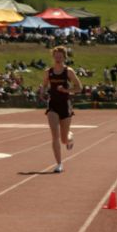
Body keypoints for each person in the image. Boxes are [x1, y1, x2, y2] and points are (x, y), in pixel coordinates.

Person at [40, 45, 82, 173]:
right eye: (56, 56)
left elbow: (79, 87)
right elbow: (45, 84)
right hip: (53, 105)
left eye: (60, 56)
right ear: (53, 57)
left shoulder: (68, 71)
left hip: (65, 104)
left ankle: (70, 137)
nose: (58, 58)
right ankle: (59, 164)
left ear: (64, 57)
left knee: (64, 139)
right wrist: (42, 92)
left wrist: (66, 90)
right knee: (55, 136)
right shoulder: (49, 71)